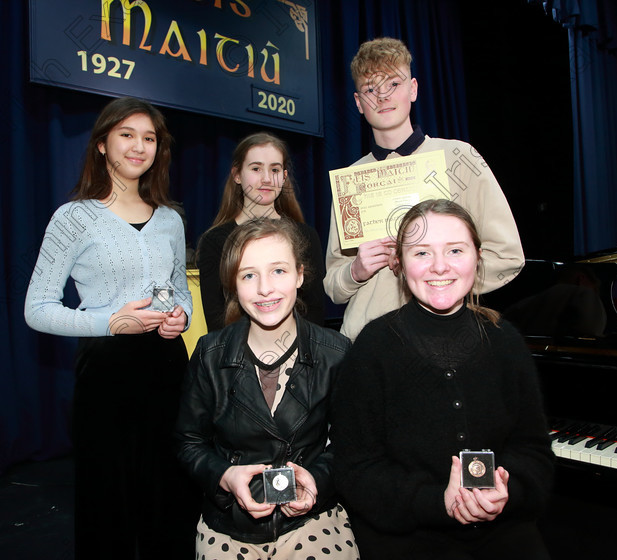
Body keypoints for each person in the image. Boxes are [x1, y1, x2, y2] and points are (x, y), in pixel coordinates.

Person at [331, 199, 555, 560]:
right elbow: (356, 470)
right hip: (408, 535)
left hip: (502, 529)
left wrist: (504, 492)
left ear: (477, 257)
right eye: (421, 252)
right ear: (399, 264)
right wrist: (438, 502)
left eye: (455, 249)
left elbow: (535, 454)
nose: (439, 266)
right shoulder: (372, 348)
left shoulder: (506, 341)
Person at [24, 97, 196, 558]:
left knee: (170, 495)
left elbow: (178, 290)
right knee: (108, 502)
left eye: (149, 138)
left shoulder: (170, 220)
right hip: (106, 371)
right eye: (127, 135)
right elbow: (37, 308)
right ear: (102, 144)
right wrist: (110, 321)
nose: (139, 146)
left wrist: (182, 315)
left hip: (167, 367)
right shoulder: (74, 218)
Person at [176, 218, 360, 559]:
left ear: (300, 275)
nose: (265, 289)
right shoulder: (209, 354)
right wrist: (225, 476)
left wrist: (316, 479)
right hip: (229, 523)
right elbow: (189, 443)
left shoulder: (336, 352)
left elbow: (354, 445)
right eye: (249, 275)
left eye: (278, 271)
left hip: (312, 520)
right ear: (233, 283)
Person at [324, 37, 525, 341]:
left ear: (413, 89)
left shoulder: (460, 157)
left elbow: (507, 256)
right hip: (363, 344)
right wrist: (356, 270)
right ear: (358, 103)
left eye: (393, 83)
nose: (382, 96)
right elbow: (333, 285)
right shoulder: (352, 179)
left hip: (443, 339)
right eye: (370, 89)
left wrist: (442, 280)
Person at [196, 132, 326, 332]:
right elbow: (217, 323)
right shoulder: (214, 241)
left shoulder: (306, 236)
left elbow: (315, 314)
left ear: (284, 177)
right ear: (237, 175)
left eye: (274, 169)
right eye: (256, 168)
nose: (266, 179)